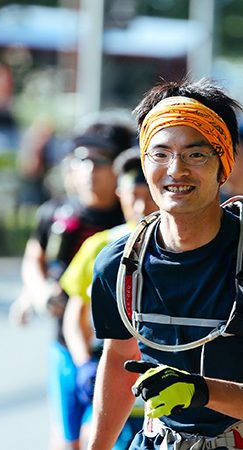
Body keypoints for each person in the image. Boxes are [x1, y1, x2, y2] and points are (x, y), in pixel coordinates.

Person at [88, 79, 243, 449]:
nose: (176, 170)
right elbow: (120, 360)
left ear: (224, 164)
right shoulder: (118, 267)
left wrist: (201, 391)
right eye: (160, 153)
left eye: (195, 155)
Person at [9, 120, 132, 450]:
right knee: (66, 439)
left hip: (116, 351)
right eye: (83, 159)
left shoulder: (131, 218)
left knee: (105, 436)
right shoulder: (56, 214)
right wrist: (36, 294)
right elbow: (33, 261)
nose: (91, 170)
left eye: (102, 160)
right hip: (65, 345)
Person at [59, 147, 159, 448]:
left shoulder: (181, 246)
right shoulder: (99, 247)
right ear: (120, 195)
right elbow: (74, 315)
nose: (141, 205)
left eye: (147, 195)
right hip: (112, 379)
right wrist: (83, 364)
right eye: (133, 196)